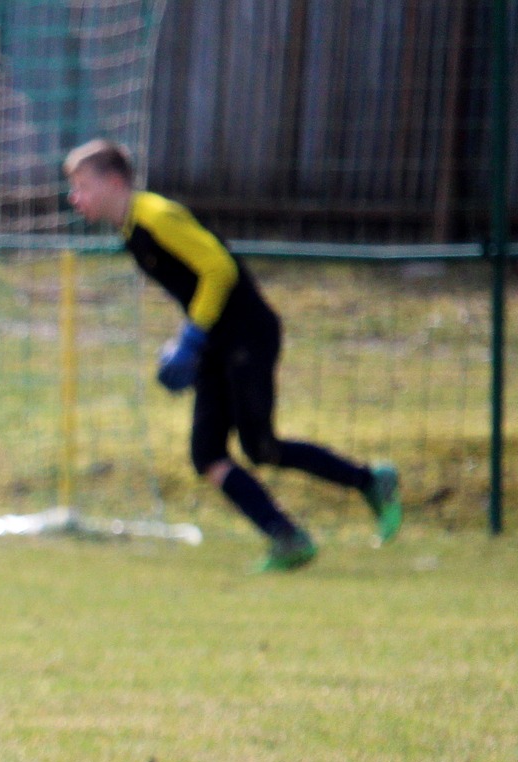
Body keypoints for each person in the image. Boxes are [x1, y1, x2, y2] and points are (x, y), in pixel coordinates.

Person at [64, 139, 402, 570]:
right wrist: (188, 341)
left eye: (82, 185)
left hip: (246, 333)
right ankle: (287, 538)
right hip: (216, 342)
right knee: (207, 454)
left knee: (261, 446)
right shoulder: (131, 230)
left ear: (114, 182)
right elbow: (194, 283)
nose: (75, 198)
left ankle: (372, 481)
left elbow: (219, 267)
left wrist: (191, 337)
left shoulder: (156, 216)